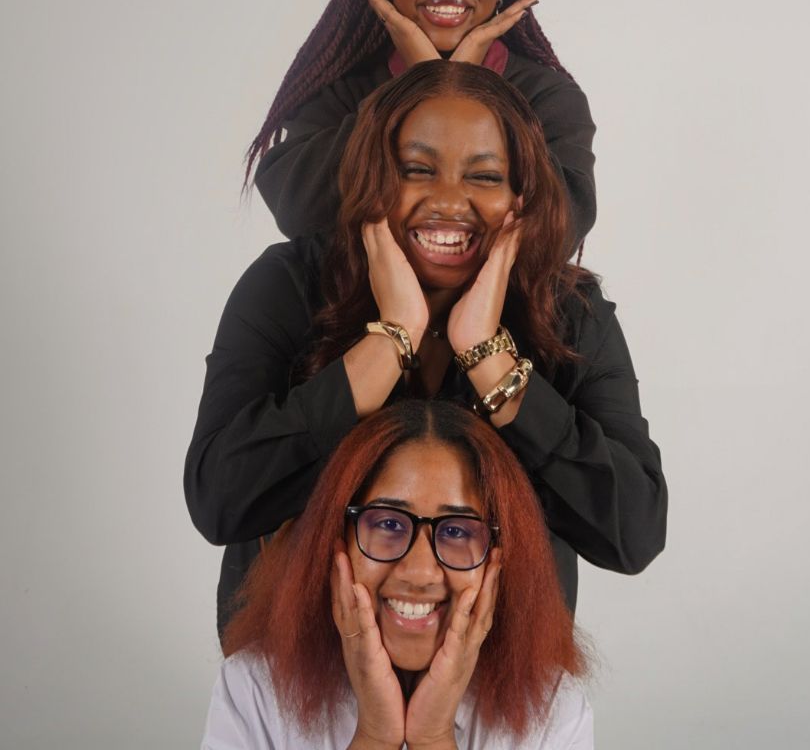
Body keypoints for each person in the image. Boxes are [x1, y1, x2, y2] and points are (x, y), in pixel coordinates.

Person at [185, 62, 667, 634]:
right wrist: (392, 340)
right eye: (416, 170)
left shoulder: (571, 315)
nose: (449, 202)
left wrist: (489, 358)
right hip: (303, 670)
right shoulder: (287, 287)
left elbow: (633, 533)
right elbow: (221, 501)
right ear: (371, 177)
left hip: (498, 678)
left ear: (522, 195)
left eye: (485, 177)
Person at [202, 400, 593, 750]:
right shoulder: (252, 690)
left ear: (499, 560)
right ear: (335, 542)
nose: (420, 571)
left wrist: (432, 739)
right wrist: (375, 737)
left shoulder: (555, 708)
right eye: (388, 523)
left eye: (456, 530)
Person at [247, 0, 596, 251]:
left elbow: (558, 235)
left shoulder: (549, 97)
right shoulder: (341, 89)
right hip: (361, 306)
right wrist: (418, 85)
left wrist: (459, 82)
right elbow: (299, 214)